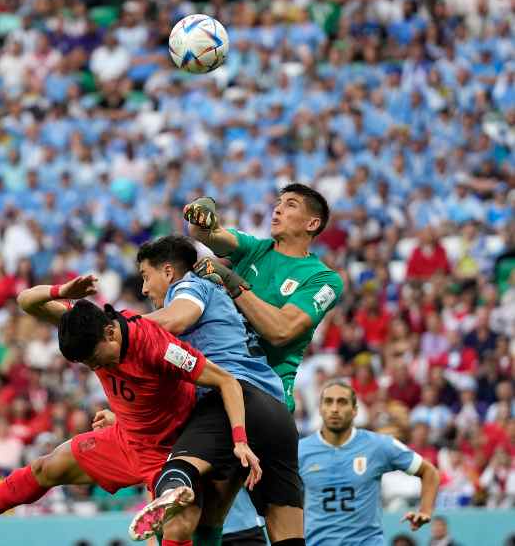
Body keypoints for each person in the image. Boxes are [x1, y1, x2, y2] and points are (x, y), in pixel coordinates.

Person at [0, 276, 260, 543]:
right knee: (46, 468)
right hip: (126, 439)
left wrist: (239, 439)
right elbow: (27, 301)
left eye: (95, 359)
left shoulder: (158, 346)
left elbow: (227, 382)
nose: (94, 366)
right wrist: (60, 290)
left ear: (111, 333)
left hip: (171, 450)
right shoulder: (88, 329)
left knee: (179, 527)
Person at [183, 183, 343, 542]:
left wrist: (233, 283)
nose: (277, 210)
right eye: (277, 203)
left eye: (290, 205)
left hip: (270, 400)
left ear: (312, 223)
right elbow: (206, 233)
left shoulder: (323, 279)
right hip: (227, 393)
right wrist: (200, 211)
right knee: (209, 507)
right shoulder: (255, 248)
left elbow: (282, 331)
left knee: (277, 520)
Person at [124, 235, 297, 545]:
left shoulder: (189, 286)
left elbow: (178, 319)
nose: (144, 289)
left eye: (146, 276)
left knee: (177, 472)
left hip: (230, 399)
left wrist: (121, 328)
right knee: (235, 520)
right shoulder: (219, 295)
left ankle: (172, 489)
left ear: (168, 272)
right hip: (275, 412)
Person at [300, 382, 440, 546]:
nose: (335, 408)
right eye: (328, 402)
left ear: (355, 411)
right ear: (320, 409)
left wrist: (425, 510)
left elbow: (429, 471)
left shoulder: (378, 445)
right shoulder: (300, 451)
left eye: (342, 402)